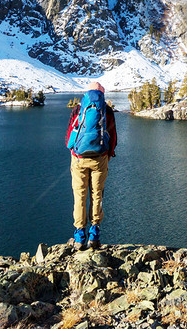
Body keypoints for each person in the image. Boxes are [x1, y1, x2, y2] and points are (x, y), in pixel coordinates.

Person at [65, 81, 117, 250]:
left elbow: (69, 136)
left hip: (79, 159)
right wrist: (108, 155)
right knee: (97, 195)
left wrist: (74, 153)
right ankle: (94, 236)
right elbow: (113, 136)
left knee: (79, 196)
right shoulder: (107, 110)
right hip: (100, 159)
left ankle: (79, 237)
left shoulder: (79, 109)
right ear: (102, 93)